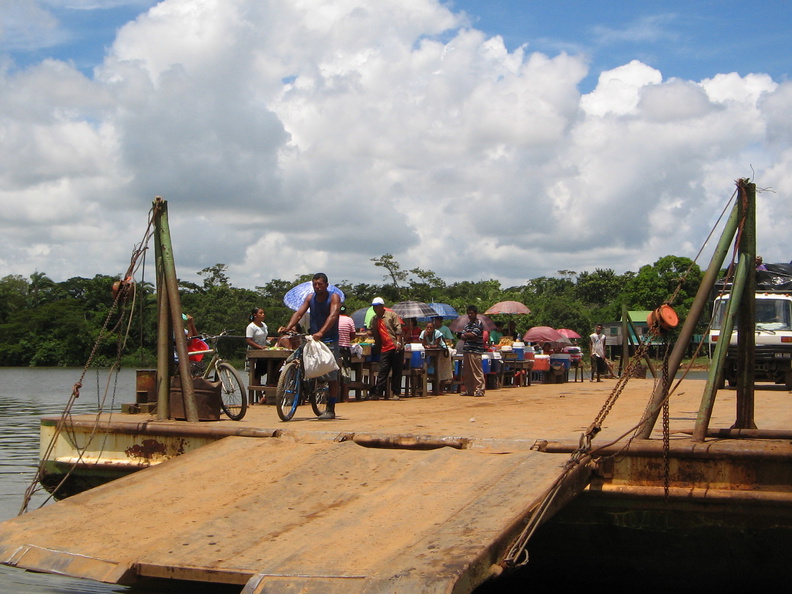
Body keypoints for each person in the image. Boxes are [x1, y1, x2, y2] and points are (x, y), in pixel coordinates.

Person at [279, 273, 341, 419]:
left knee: (331, 375)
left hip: (329, 339)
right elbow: (299, 313)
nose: (317, 287)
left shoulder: (334, 297)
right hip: (313, 338)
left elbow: (333, 315)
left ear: (326, 284)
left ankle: (331, 408)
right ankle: (300, 384)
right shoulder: (310, 298)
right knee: (295, 358)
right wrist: (288, 327)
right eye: (315, 284)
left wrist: (321, 332)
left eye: (320, 284)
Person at [367, 297, 403, 400]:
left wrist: (398, 343)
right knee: (383, 370)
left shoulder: (391, 315)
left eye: (377, 307)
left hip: (394, 345)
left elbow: (398, 329)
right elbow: (370, 330)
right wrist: (367, 333)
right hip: (384, 347)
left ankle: (396, 393)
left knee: (397, 370)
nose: (375, 309)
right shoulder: (374, 319)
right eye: (374, 307)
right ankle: (378, 393)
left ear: (382, 307)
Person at [459, 305, 486, 397]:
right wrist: (467, 335)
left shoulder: (479, 323)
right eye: (468, 313)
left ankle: (480, 390)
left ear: (475, 313)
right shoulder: (467, 325)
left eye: (471, 313)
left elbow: (474, 335)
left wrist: (467, 335)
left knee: (477, 371)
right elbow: (463, 336)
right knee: (467, 372)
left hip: (475, 351)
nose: (470, 315)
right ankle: (469, 390)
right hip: (467, 350)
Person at [420, 320, 453, 393]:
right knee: (434, 369)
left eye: (431, 328)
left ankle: (440, 389)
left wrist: (429, 346)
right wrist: (425, 337)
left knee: (443, 369)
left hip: (443, 352)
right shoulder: (423, 333)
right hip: (431, 353)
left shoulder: (437, 333)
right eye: (427, 327)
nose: (429, 329)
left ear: (434, 328)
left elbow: (436, 345)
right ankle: (434, 388)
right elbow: (422, 344)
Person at [246, 308, 270, 402]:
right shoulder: (251, 327)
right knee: (256, 374)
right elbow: (248, 340)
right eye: (261, 313)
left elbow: (265, 337)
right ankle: (260, 396)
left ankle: (266, 393)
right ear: (255, 315)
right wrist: (259, 347)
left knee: (265, 369)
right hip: (254, 352)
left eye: (264, 313)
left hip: (264, 351)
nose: (263, 314)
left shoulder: (264, 325)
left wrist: (268, 341)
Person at [337, 306, 356, 401]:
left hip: (334, 348)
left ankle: (335, 396)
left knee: (334, 371)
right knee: (345, 372)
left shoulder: (332, 319)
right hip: (344, 348)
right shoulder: (349, 320)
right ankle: (345, 397)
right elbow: (353, 335)